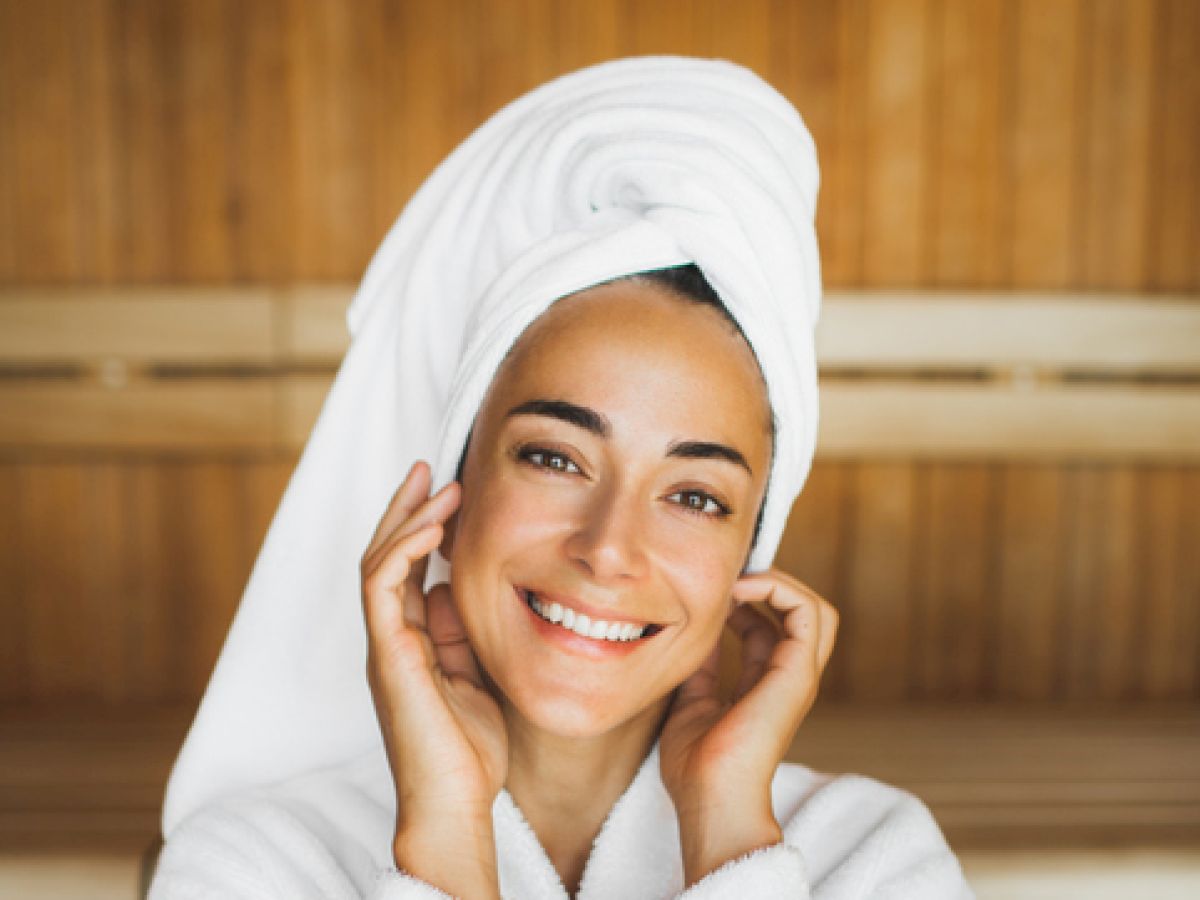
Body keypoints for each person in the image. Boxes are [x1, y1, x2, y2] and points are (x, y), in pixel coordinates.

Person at [149, 57, 974, 898]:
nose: (610, 548)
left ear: (749, 558)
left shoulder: (872, 855)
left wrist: (729, 829)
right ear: (452, 491)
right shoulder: (255, 861)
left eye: (695, 497)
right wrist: (443, 826)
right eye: (555, 458)